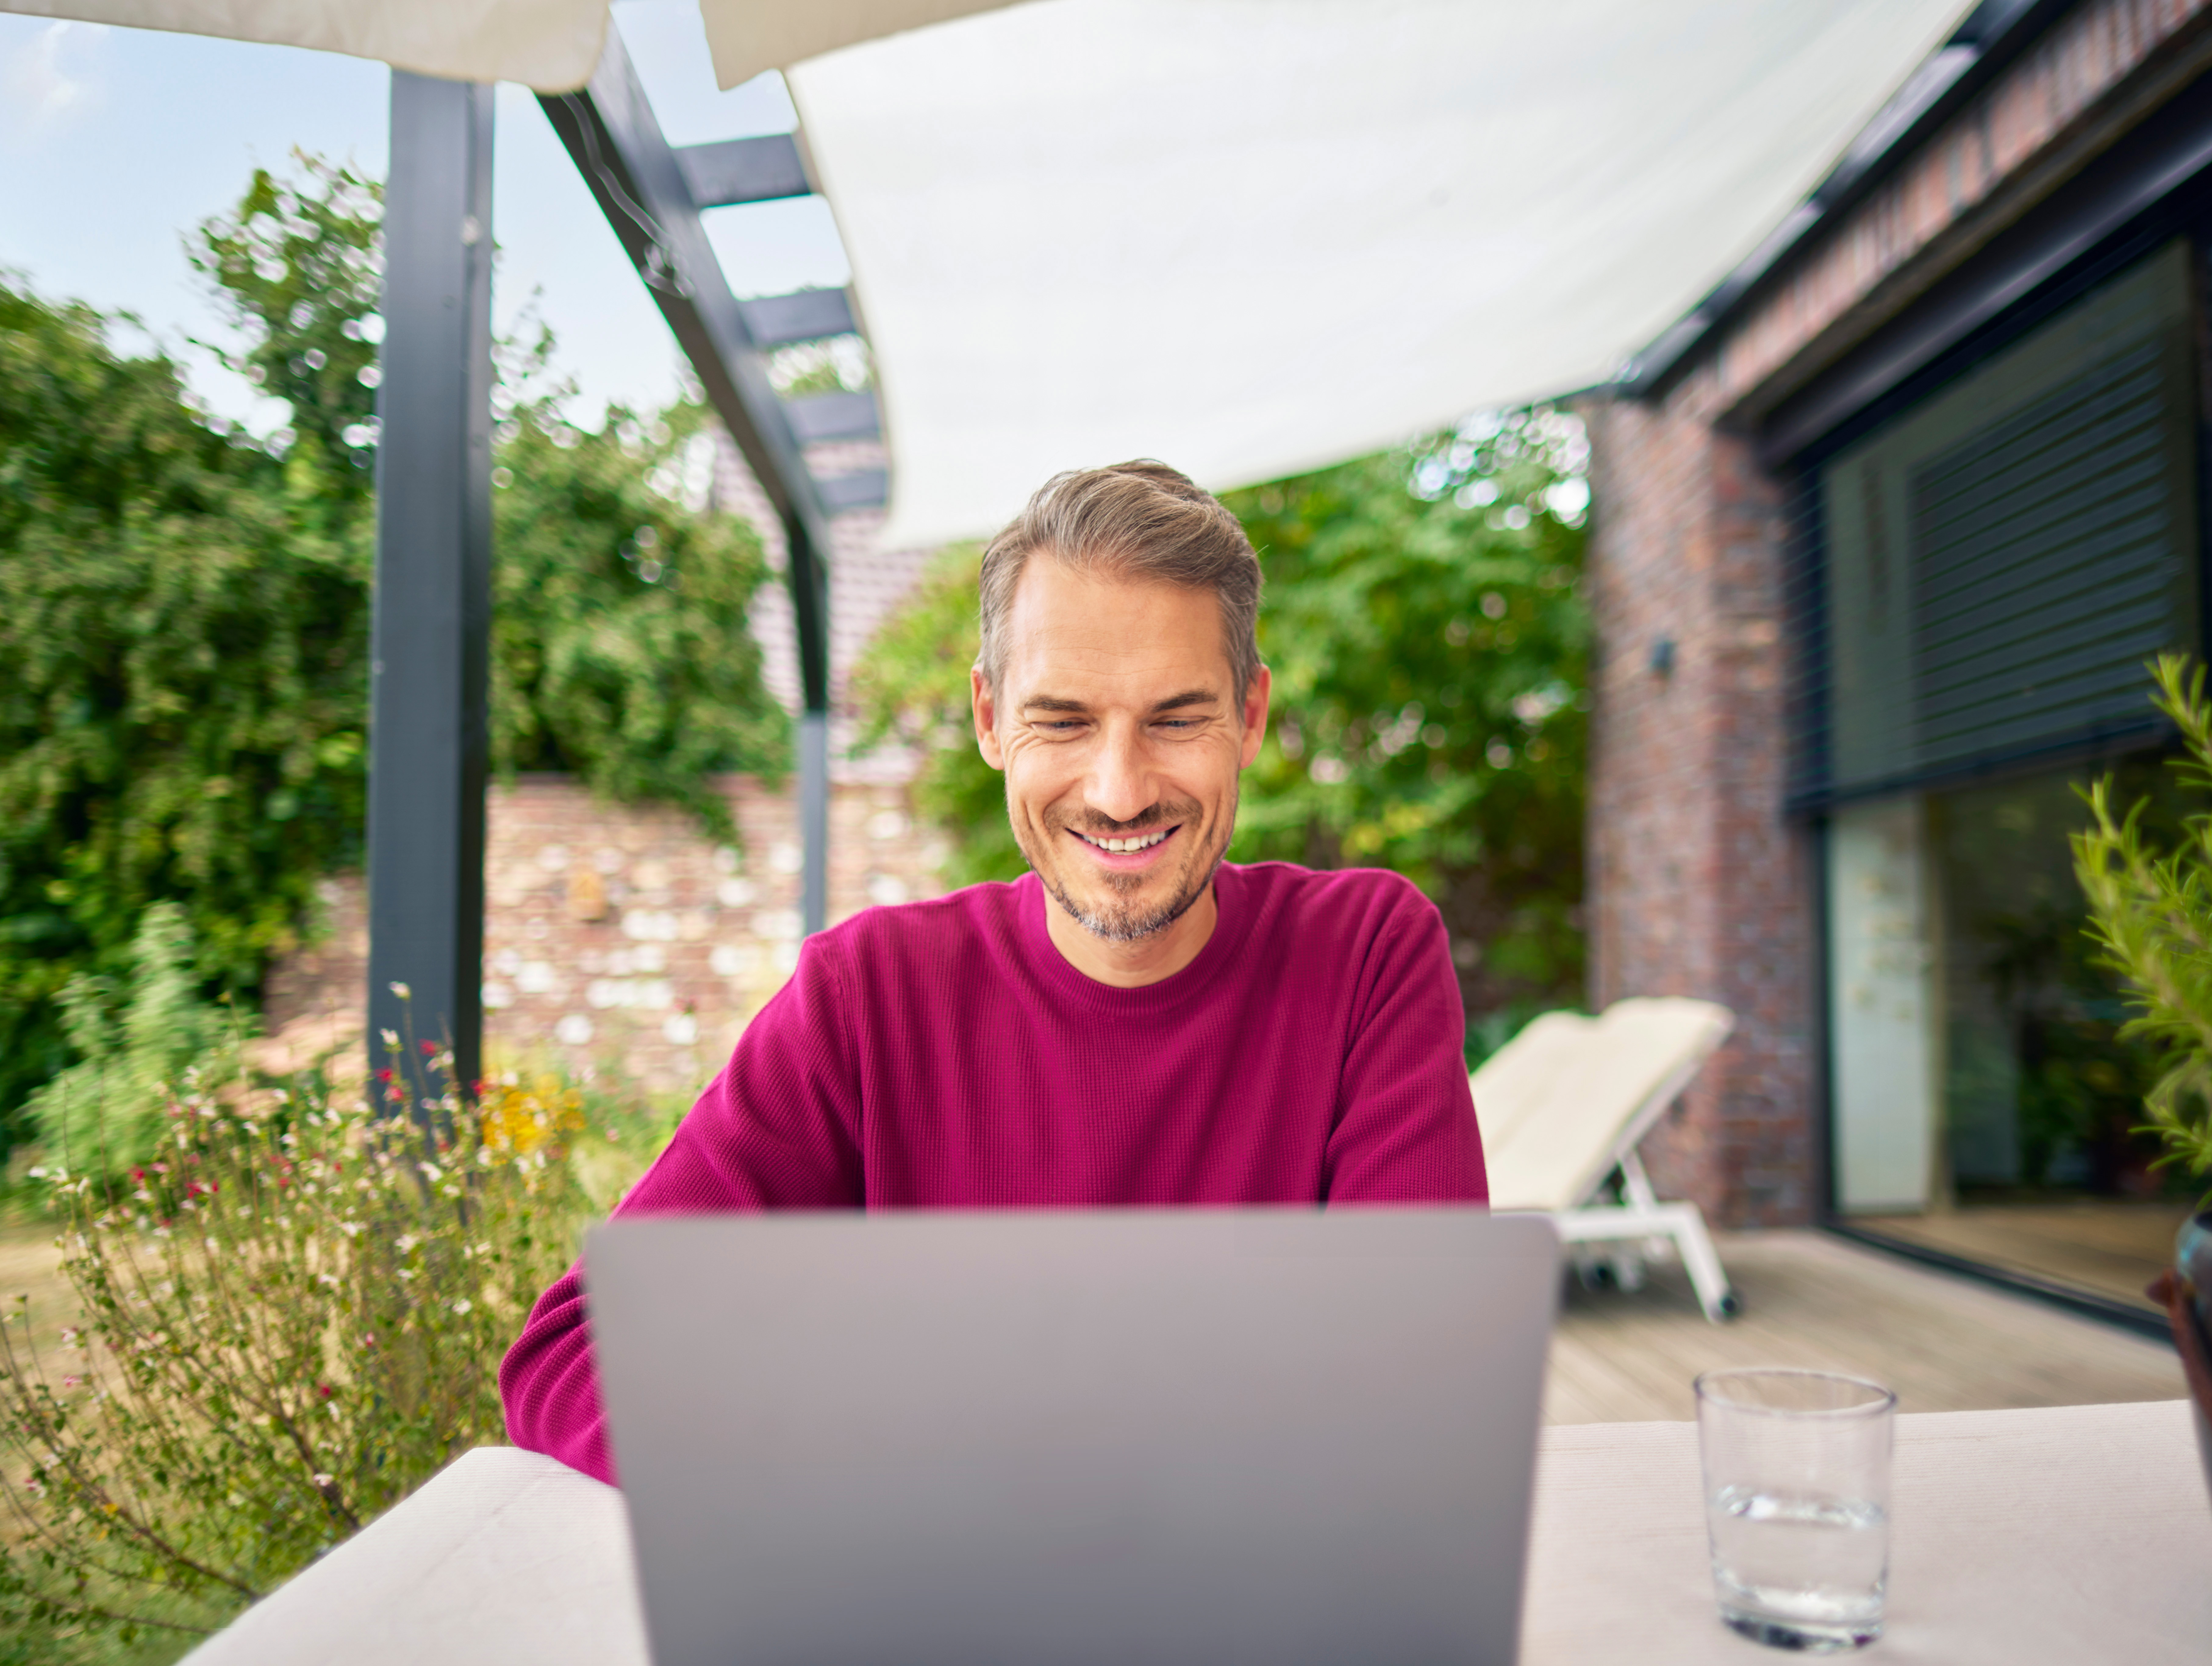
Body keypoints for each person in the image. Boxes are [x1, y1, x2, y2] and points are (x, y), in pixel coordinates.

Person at [500, 460, 1489, 1484]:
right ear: (987, 718)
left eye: (1175, 719)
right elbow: (576, 1350)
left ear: (1249, 717)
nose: (1120, 791)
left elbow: (1416, 1369)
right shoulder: (866, 997)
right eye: (1062, 720)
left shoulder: (1366, 956)